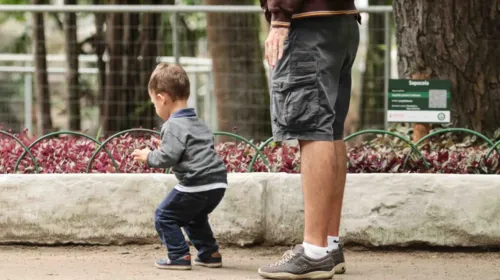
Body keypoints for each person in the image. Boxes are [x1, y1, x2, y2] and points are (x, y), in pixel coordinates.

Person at [257, 0, 361, 279]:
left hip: (308, 25)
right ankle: (329, 245)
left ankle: (314, 252)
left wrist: (279, 15)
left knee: (313, 130)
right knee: (330, 131)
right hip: (341, 22)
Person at [132, 63, 228, 271]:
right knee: (194, 217)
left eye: (153, 102)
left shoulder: (172, 125)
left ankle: (178, 255)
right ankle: (209, 253)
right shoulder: (198, 121)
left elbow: (167, 157)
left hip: (197, 182)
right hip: (217, 183)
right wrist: (166, 147)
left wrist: (149, 156)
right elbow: (195, 149)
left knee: (164, 215)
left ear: (161, 98)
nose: (155, 108)